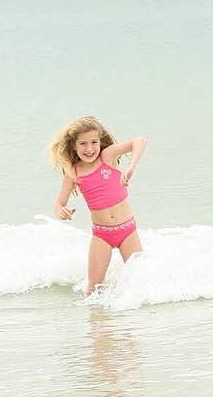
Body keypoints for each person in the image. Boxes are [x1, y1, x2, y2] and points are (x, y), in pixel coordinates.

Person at [48, 116, 148, 296]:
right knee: (93, 288)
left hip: (127, 231)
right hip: (102, 235)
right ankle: (97, 322)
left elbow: (139, 141)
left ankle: (138, 322)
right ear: (74, 146)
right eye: (83, 144)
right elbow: (59, 204)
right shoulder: (73, 172)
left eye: (94, 142)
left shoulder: (107, 156)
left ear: (100, 142)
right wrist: (62, 211)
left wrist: (131, 167)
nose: (89, 149)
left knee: (141, 279)